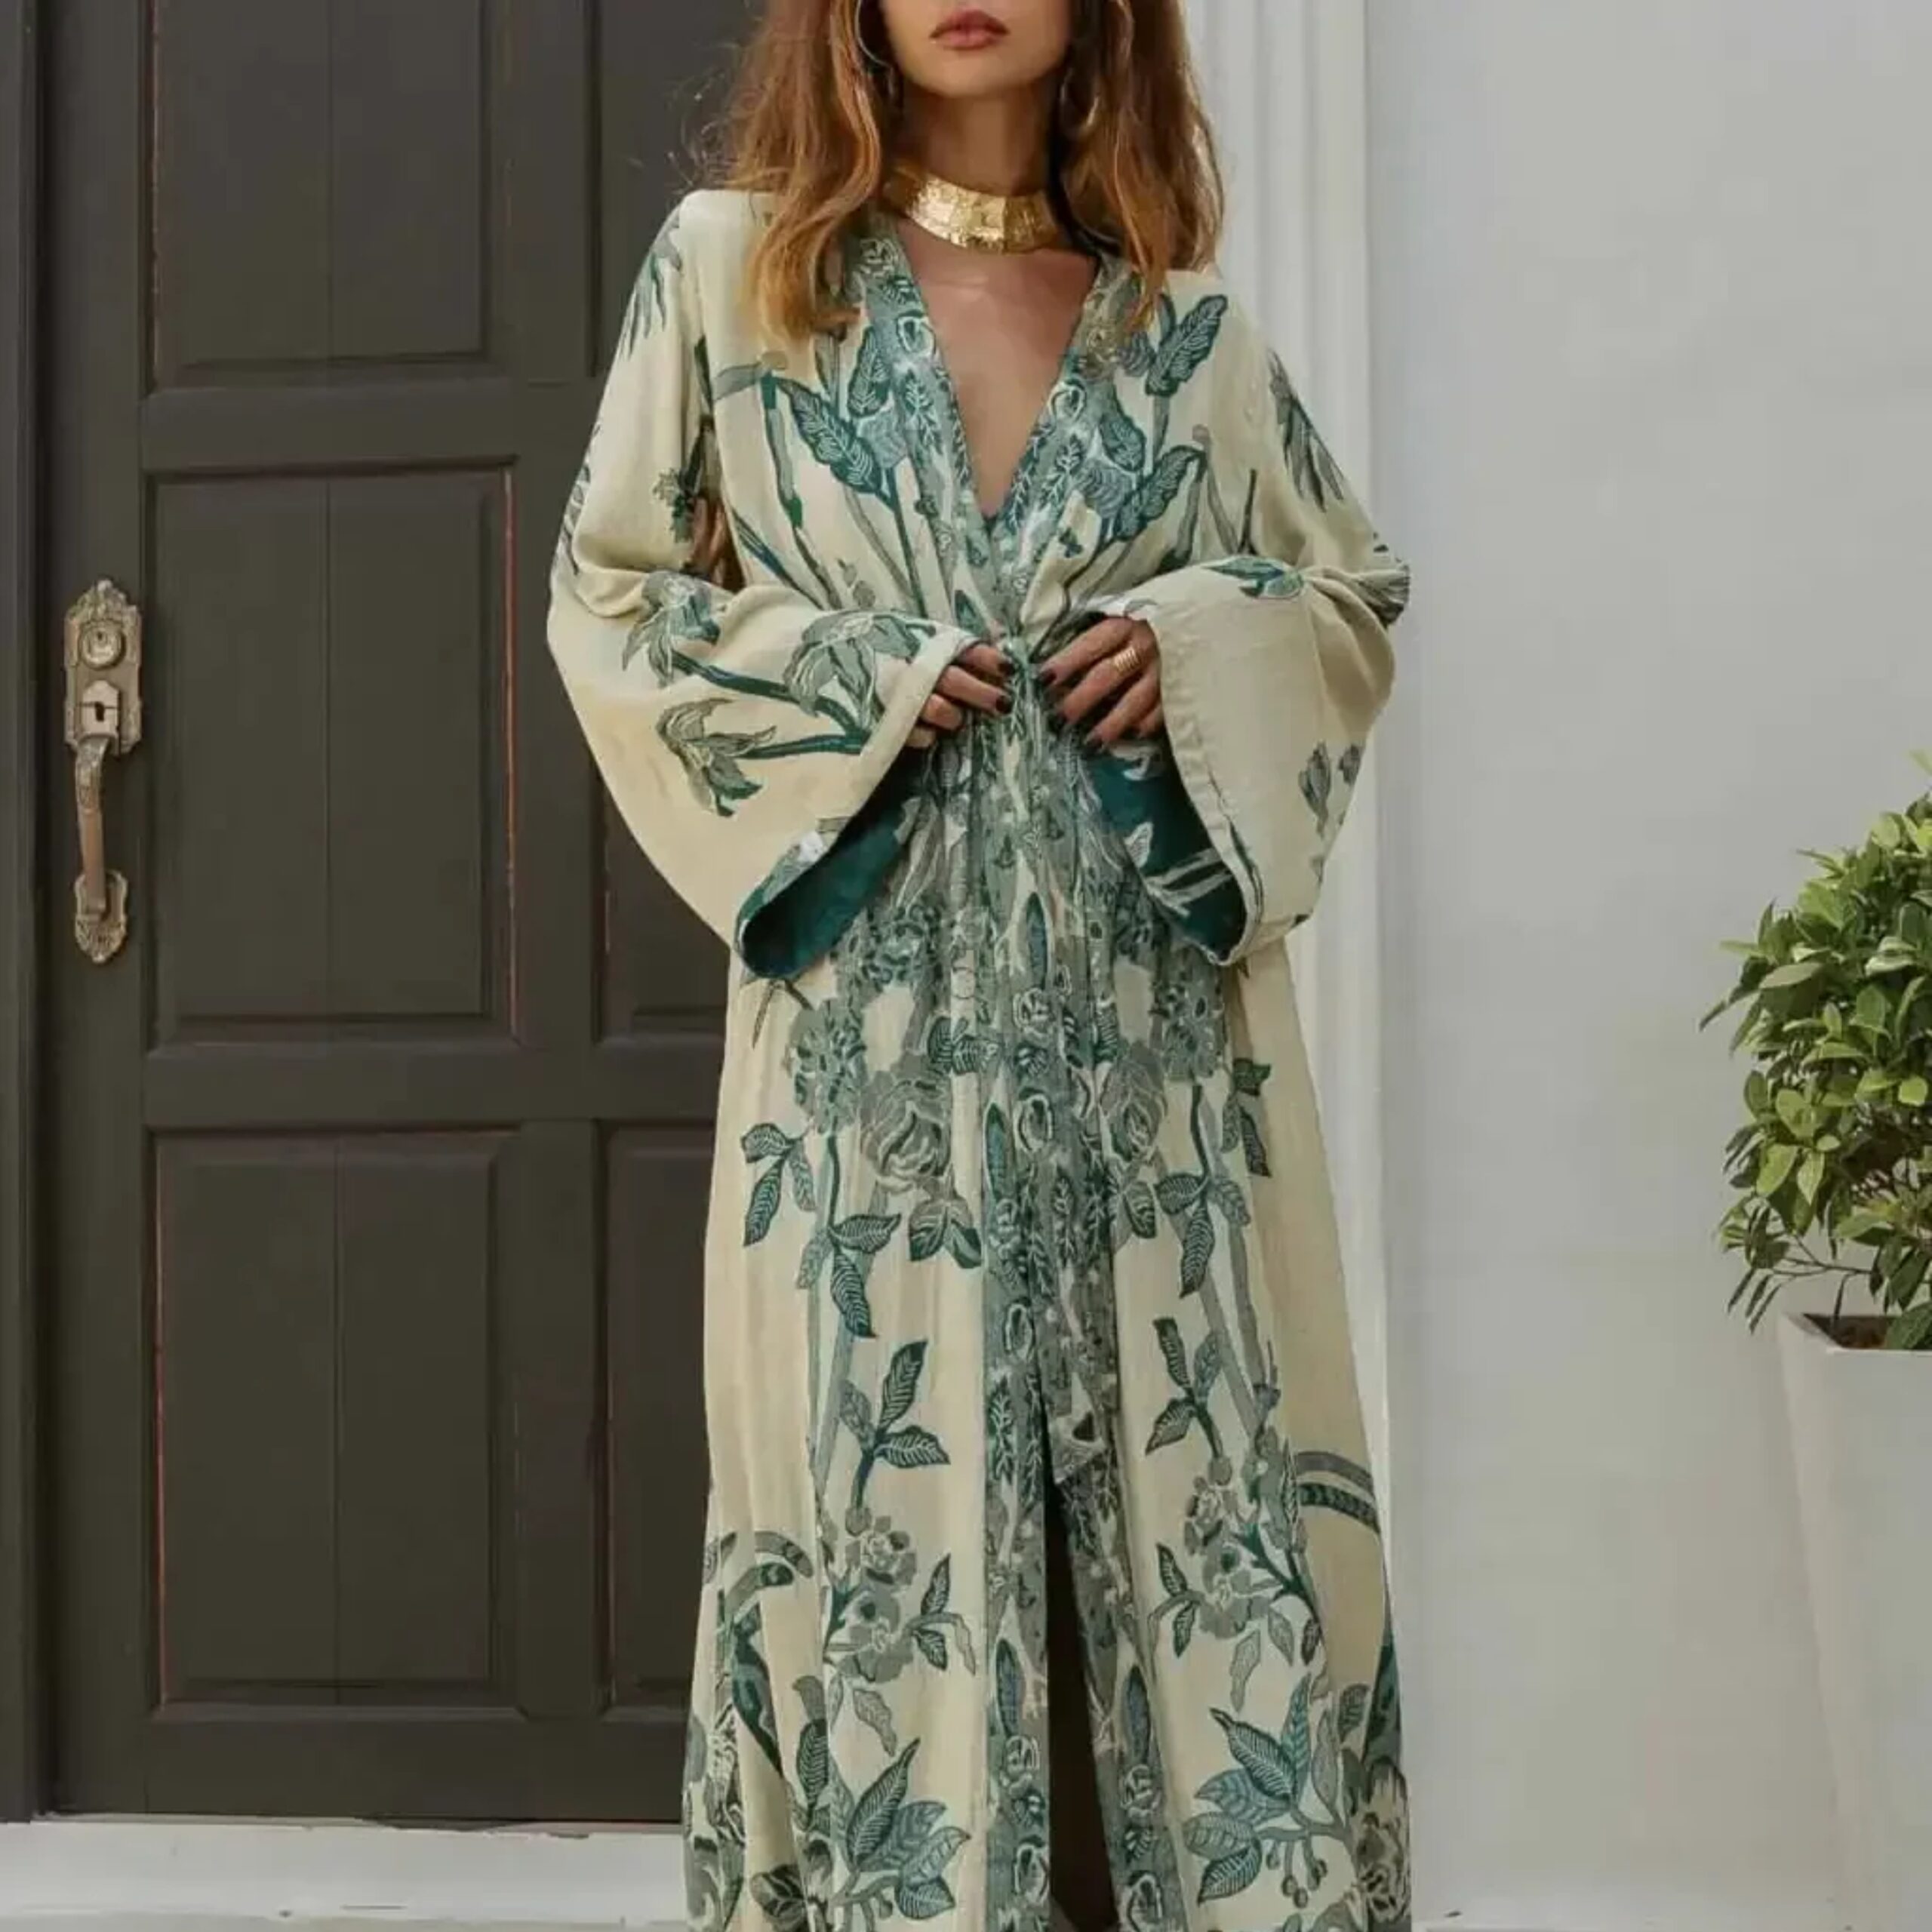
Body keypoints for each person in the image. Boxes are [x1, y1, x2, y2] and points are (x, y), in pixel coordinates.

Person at [546, 2, 1412, 1927]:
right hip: (867, 1079)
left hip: (1152, 1074)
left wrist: (1193, 634)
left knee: (1178, 1543)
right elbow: (609, 595)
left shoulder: (1182, 337)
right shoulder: (734, 276)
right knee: (885, 1547)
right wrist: (851, 674)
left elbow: (1348, 597)